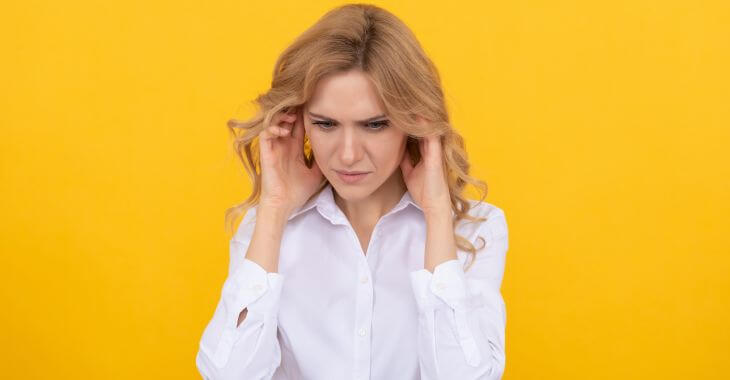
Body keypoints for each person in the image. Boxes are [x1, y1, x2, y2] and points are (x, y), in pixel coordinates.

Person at [195, 4, 509, 379]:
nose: (347, 154)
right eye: (325, 124)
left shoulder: (474, 230)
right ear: (298, 122)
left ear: (415, 123)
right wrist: (275, 209)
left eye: (374, 124)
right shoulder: (264, 230)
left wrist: (438, 212)